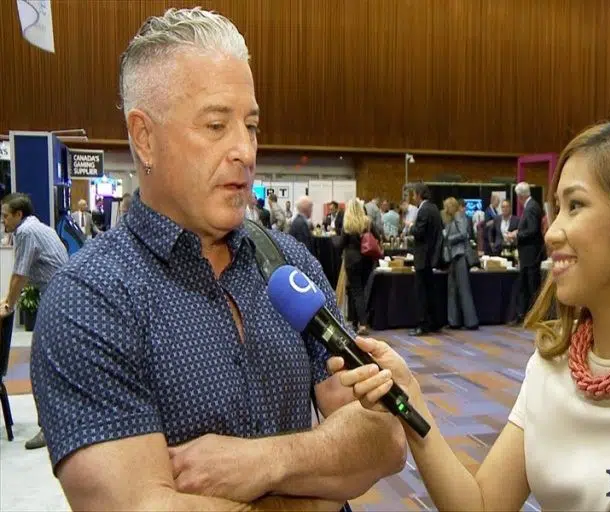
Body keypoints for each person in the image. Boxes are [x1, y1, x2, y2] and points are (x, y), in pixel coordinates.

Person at [29, 8, 405, 511]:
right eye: (215, 125)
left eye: (251, 125)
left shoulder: (289, 265)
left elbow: (385, 438)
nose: (245, 150)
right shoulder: (89, 298)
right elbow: (141, 506)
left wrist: (264, 462)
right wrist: (316, 493)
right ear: (144, 138)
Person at [329, 122, 610, 511]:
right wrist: (409, 400)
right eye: (557, 208)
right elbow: (482, 505)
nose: (553, 232)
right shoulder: (551, 365)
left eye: (576, 206)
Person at [0, 192, 69, 450]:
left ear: (18, 215)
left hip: (56, 299)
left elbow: (20, 274)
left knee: (41, 366)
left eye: (5, 216)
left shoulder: (26, 232)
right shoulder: (36, 227)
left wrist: (9, 305)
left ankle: (48, 429)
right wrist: (9, 299)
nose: (3, 220)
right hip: (59, 296)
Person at [409, 183, 443, 336]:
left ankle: (422, 325)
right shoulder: (435, 208)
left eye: (413, 195)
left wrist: (410, 227)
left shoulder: (423, 210)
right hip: (432, 256)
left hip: (422, 257)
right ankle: (434, 322)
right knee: (430, 291)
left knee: (421, 292)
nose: (413, 198)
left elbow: (419, 232)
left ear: (419, 194)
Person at [341, 199, 379, 336]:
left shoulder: (347, 224)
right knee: (360, 290)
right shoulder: (367, 222)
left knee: (356, 292)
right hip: (367, 259)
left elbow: (341, 244)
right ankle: (355, 322)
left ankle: (362, 324)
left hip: (352, 260)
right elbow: (378, 236)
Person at [509, 182, 544, 323]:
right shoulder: (532, 206)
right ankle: (525, 315)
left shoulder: (530, 208)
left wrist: (516, 235)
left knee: (531, 286)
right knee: (527, 285)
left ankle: (534, 316)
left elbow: (532, 230)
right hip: (528, 254)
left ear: (520, 196)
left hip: (530, 254)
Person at [442, 197, 478, 330]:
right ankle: (453, 321)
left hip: (460, 255)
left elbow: (464, 234)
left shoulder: (459, 217)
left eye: (446, 207)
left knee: (464, 289)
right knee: (452, 289)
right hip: (453, 257)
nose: (445, 210)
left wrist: (449, 239)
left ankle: (471, 322)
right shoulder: (450, 219)